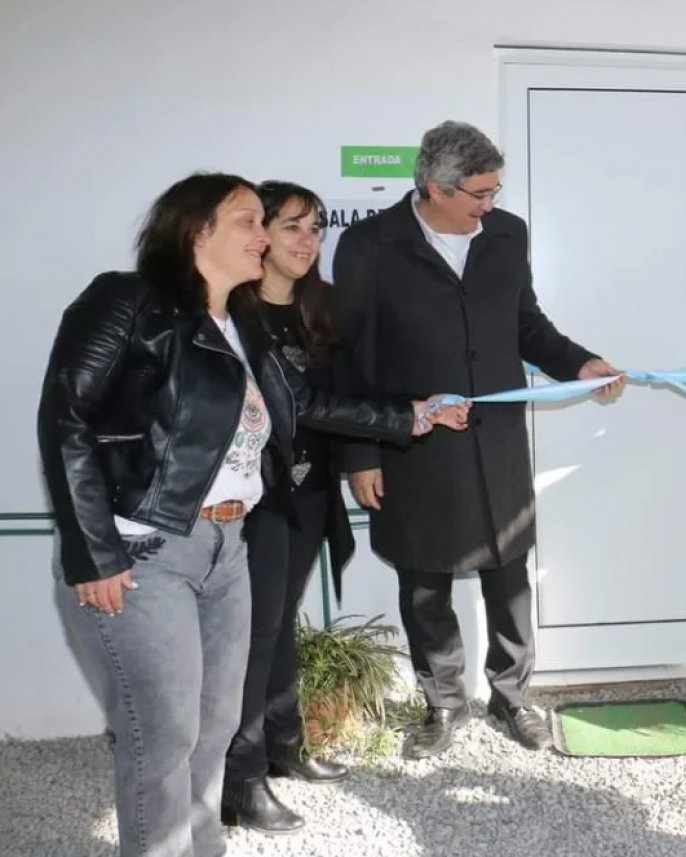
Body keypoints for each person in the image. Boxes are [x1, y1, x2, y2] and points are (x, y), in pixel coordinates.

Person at [37, 172, 447, 857]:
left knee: (212, 725)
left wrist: (411, 415)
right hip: (143, 551)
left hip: (228, 548)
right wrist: (93, 552)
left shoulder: (243, 324)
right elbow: (66, 420)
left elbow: (306, 404)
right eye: (249, 221)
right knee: (163, 736)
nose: (268, 236)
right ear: (196, 229)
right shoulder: (127, 301)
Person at [332, 120, 624, 758]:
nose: (491, 206)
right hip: (411, 445)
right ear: (436, 189)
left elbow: (527, 324)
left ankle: (513, 696)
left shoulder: (507, 233)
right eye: (479, 195)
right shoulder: (368, 245)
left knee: (509, 573)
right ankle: (442, 704)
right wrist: (361, 453)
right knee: (425, 581)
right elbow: (348, 358)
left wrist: (579, 363)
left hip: (496, 442)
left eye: (495, 192)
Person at [221, 182, 457, 833]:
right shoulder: (234, 315)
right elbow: (299, 405)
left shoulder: (319, 307)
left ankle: (285, 745)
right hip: (254, 500)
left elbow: (352, 388)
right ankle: (239, 779)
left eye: (316, 228)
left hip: (309, 492)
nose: (308, 240)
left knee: (276, 624)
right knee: (256, 632)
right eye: (293, 226)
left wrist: (385, 434)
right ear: (259, 234)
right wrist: (409, 418)